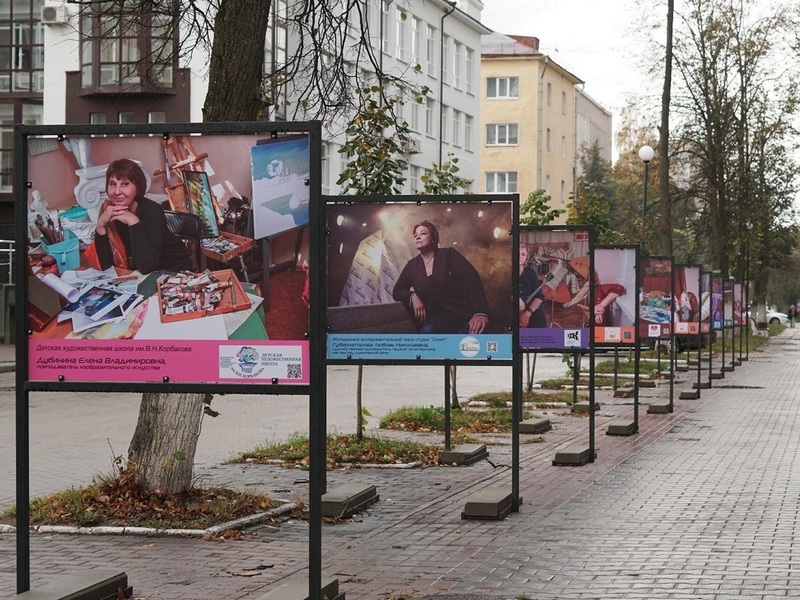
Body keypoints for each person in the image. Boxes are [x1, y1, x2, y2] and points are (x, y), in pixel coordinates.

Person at [87, 159, 191, 274]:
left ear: (138, 186)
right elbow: (105, 265)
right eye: (112, 184)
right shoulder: (109, 210)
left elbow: (146, 266)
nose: (117, 191)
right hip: (140, 272)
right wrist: (100, 226)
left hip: (173, 269)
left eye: (125, 184)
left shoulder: (152, 211)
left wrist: (133, 222)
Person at [392, 220, 489, 334]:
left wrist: (480, 313)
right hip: (436, 319)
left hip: (463, 314)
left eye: (423, 233)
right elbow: (397, 291)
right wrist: (413, 297)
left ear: (433, 237)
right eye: (415, 235)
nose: (418, 237)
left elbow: (472, 280)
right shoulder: (412, 265)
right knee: (428, 332)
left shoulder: (449, 255)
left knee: (471, 342)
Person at [518, 243, 546, 328]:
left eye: (523, 254)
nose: (520, 256)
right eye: (517, 253)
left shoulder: (531, 273)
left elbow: (539, 296)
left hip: (530, 306)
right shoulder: (505, 272)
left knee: (539, 317)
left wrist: (527, 314)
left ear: (526, 258)